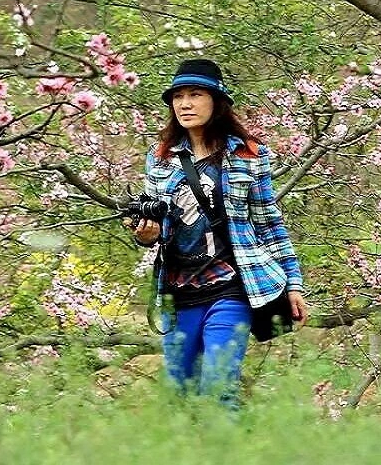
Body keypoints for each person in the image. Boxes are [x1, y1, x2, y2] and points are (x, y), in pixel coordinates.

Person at [127, 59, 308, 410]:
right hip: (178, 292)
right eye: (178, 96)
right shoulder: (160, 158)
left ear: (217, 101)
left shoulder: (248, 154)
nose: (185, 104)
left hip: (232, 286)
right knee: (181, 394)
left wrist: (295, 283)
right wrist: (145, 234)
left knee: (218, 386)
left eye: (195, 94)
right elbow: (152, 227)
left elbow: (269, 221)